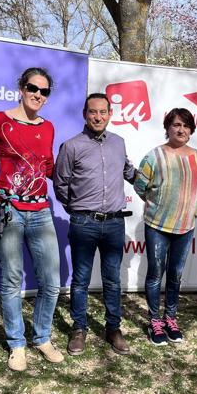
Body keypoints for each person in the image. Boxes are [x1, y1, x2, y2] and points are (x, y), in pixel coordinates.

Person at [0, 67, 63, 372]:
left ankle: (42, 337)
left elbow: (48, 167)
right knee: (12, 280)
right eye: (32, 88)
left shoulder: (48, 127)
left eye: (44, 91)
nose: (38, 95)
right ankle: (17, 344)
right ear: (21, 88)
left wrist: (77, 173)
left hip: (40, 211)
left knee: (51, 281)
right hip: (7, 211)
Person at [53, 93, 136, 356]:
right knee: (80, 280)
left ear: (110, 113)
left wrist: (151, 180)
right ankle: (79, 329)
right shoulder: (71, 146)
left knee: (112, 280)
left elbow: (129, 171)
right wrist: (76, 209)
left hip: (114, 224)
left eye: (103, 112)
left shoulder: (119, 143)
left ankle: (113, 329)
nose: (98, 117)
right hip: (83, 222)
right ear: (85, 114)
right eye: (92, 112)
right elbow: (60, 184)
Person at [134, 108, 197, 345]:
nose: (181, 129)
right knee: (156, 273)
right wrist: (158, 205)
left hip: (186, 226)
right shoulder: (154, 156)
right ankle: (154, 321)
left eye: (186, 125)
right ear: (167, 128)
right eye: (176, 125)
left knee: (175, 275)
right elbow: (139, 186)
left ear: (191, 130)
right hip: (157, 225)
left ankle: (170, 318)